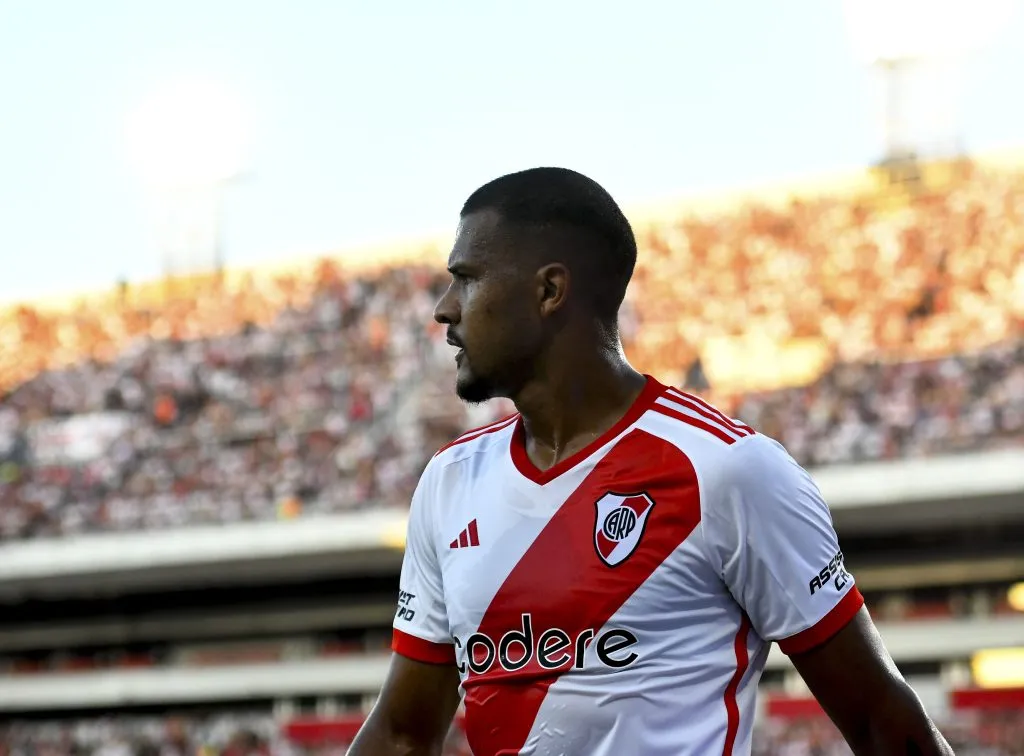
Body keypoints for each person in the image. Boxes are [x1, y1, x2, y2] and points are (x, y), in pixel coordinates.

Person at [349, 168, 952, 756]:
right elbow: (402, 735)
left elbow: (883, 725)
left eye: (467, 278)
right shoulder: (450, 483)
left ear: (549, 290)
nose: (445, 309)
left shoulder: (727, 471)